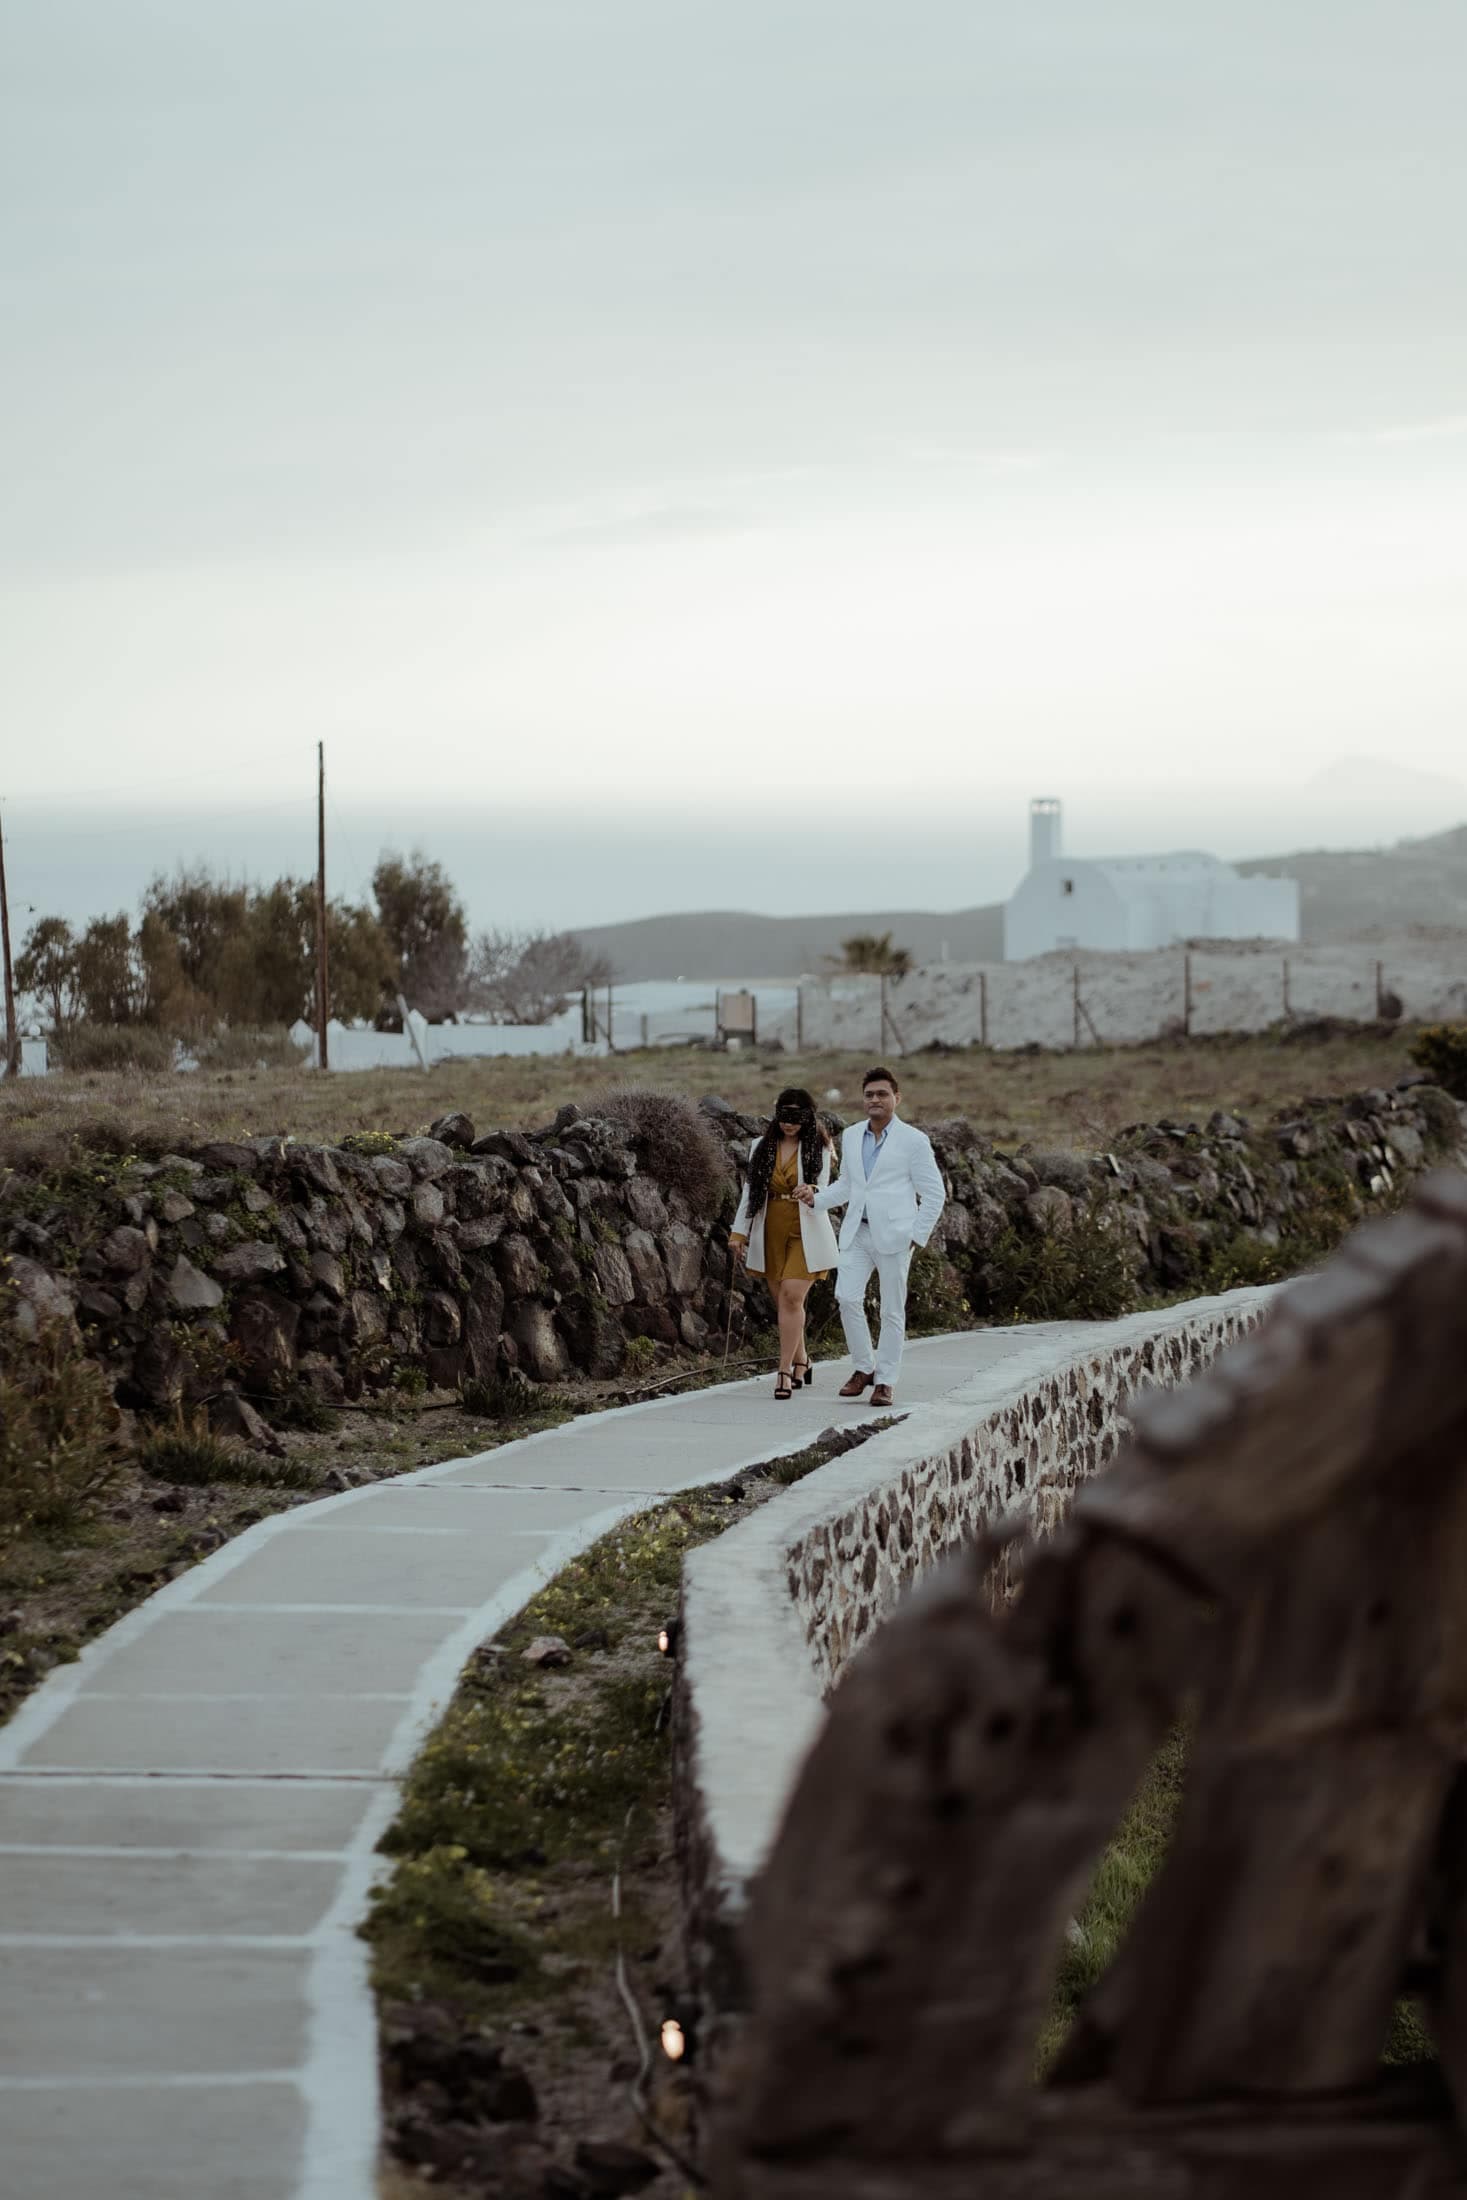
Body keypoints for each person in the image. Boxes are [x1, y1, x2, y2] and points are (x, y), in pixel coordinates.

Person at [796, 1065, 945, 1407]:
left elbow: (934, 1194)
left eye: (882, 1094)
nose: (875, 1099)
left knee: (892, 1311)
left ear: (896, 1098)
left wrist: (917, 1235)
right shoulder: (851, 1136)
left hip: (896, 1236)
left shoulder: (913, 1141)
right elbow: (848, 1185)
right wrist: (816, 1200)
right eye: (869, 1094)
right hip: (856, 1233)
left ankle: (886, 1381)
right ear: (863, 1099)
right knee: (847, 1298)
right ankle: (864, 1368)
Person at [728, 1087, 841, 1400]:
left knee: (792, 1296)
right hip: (771, 1228)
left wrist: (814, 1192)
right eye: (783, 1116)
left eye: (796, 1117)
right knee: (786, 1304)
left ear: (807, 1117)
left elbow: (825, 1188)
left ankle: (783, 1371)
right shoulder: (760, 1147)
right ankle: (802, 1359)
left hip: (805, 1229)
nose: (789, 1124)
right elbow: (751, 1192)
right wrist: (739, 1232)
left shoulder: (818, 1145)